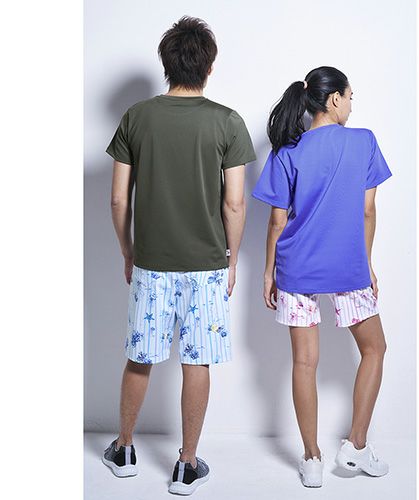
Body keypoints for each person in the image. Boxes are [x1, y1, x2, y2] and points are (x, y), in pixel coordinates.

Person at [102, 16, 256, 495]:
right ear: (208, 66)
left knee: (140, 357)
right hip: (207, 265)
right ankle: (187, 465)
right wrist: (232, 260)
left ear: (166, 64)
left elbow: (119, 199)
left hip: (151, 262)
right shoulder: (227, 121)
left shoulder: (137, 118)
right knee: (197, 362)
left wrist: (128, 251)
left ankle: (124, 449)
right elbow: (234, 202)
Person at [251, 66, 392, 488]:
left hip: (296, 267)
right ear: (334, 100)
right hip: (349, 266)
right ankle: (356, 445)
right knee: (375, 349)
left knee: (303, 363)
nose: (351, 106)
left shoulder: (287, 151)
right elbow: (367, 211)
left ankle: (312, 458)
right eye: (350, 97)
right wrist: (367, 264)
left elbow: (277, 222)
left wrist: (268, 272)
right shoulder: (364, 142)